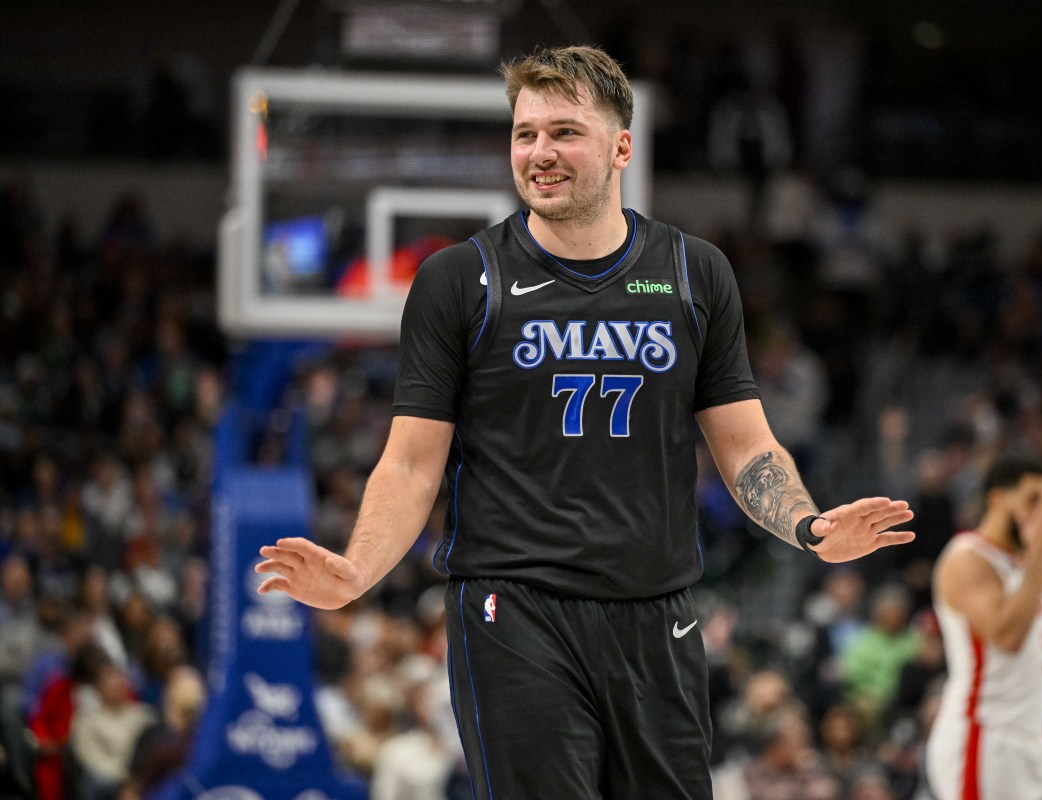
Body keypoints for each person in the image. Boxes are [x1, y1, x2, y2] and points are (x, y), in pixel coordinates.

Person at [256, 44, 914, 800]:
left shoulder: (696, 274)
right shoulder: (457, 281)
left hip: (657, 610)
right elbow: (410, 463)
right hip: (514, 608)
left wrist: (807, 525)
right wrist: (359, 569)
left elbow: (745, 445)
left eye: (564, 131)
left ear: (622, 147)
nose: (540, 152)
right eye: (525, 133)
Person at [925, 456, 1042, 800]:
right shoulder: (967, 558)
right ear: (997, 499)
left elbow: (1033, 658)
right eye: (1032, 500)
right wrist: (1041, 556)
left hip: (1034, 738)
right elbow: (1007, 637)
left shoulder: (1026, 562)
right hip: (986, 736)